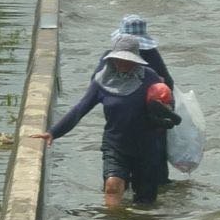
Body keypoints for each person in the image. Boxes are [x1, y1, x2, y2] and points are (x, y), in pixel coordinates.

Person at [35, 35, 169, 207]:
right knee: (112, 186)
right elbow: (80, 109)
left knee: (145, 202)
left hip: (147, 147)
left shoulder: (150, 79)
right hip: (115, 145)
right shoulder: (102, 81)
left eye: (127, 60)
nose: (122, 64)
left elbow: (167, 108)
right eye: (119, 59)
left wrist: (164, 112)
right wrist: (53, 132)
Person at [104, 15, 174, 184]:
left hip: (143, 123)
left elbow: (167, 86)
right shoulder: (149, 55)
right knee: (153, 170)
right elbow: (169, 83)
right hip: (141, 126)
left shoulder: (148, 58)